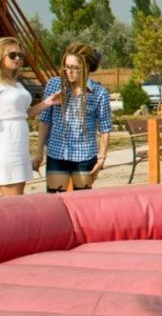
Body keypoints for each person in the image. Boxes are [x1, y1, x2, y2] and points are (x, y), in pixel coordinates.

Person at [33, 43, 113, 192]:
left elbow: (105, 128)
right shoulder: (54, 85)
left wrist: (101, 158)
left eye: (75, 68)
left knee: (82, 203)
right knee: (55, 199)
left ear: (87, 68)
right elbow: (45, 119)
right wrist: (38, 151)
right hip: (56, 153)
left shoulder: (99, 93)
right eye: (66, 66)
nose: (69, 72)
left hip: (85, 155)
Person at [0, 37, 61, 196]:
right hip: (5, 143)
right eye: (12, 55)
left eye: (20, 55)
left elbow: (23, 114)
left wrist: (47, 103)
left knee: (17, 193)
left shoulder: (15, 82)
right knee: (12, 199)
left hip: (18, 142)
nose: (18, 58)